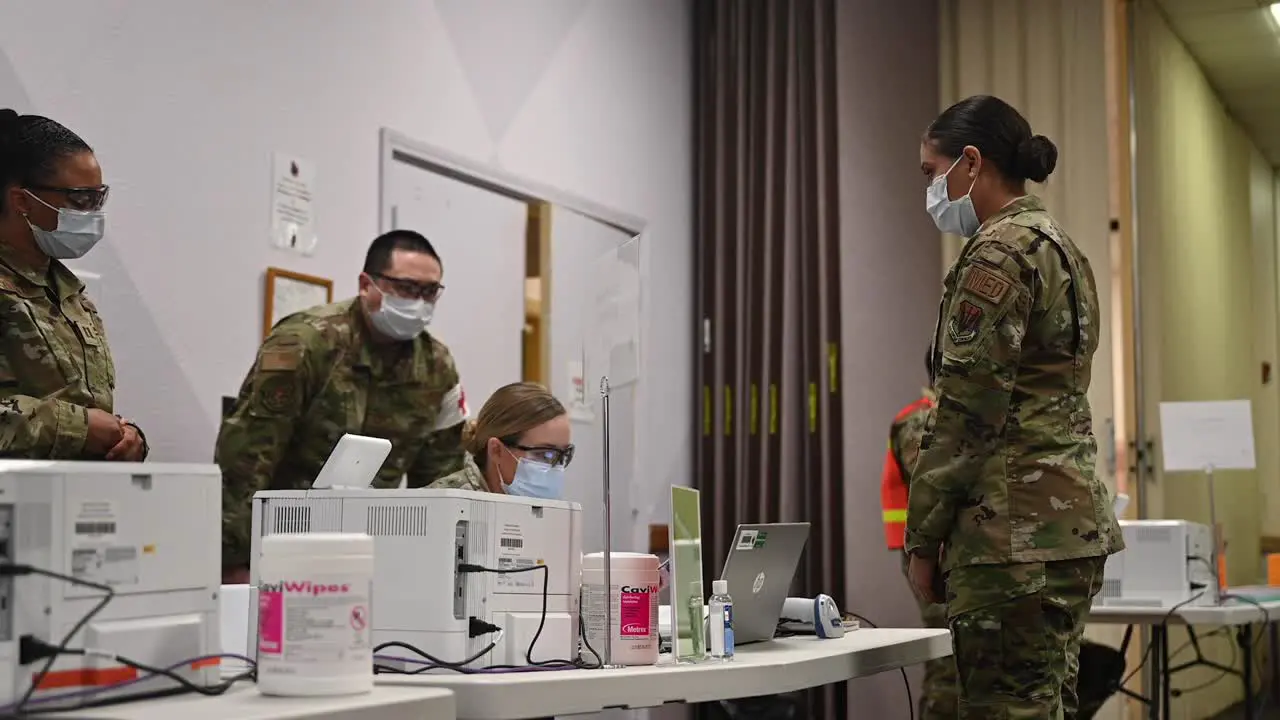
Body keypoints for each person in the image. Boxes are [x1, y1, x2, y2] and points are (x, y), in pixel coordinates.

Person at [905, 94, 1123, 719]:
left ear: (970, 163)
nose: (929, 188)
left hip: (1011, 536)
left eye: (931, 171)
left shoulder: (998, 253)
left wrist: (923, 541)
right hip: (1066, 527)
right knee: (1045, 706)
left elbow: (965, 417)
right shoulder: (1064, 249)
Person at [217, 230, 468, 582]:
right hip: (277, 548)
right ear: (367, 284)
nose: (420, 303)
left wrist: (438, 564)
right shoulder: (306, 342)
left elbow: (442, 476)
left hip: (371, 551)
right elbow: (246, 459)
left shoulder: (437, 366)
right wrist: (232, 563)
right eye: (408, 289)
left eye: (430, 292)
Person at [0, 109, 147, 461]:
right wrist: (77, 427)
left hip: (68, 502)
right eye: (81, 200)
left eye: (99, 198)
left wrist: (128, 437)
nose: (93, 214)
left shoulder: (69, 293)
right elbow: (77, 421)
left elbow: (86, 405)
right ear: (21, 201)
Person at [880, 354, 954, 720]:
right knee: (948, 656)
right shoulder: (917, 420)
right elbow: (931, 479)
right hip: (931, 553)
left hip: (947, 550)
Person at [430, 381, 572, 499]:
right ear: (496, 450)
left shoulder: (541, 511)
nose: (556, 469)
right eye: (544, 454)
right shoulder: (442, 506)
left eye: (563, 456)